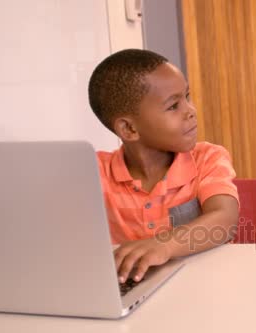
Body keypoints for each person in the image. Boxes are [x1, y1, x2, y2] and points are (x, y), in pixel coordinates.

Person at [88, 49, 239, 284]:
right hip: (135, 286)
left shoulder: (207, 158)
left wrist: (164, 245)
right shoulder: (94, 172)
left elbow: (225, 218)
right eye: (173, 106)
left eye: (186, 97)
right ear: (129, 129)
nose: (190, 111)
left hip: (206, 284)